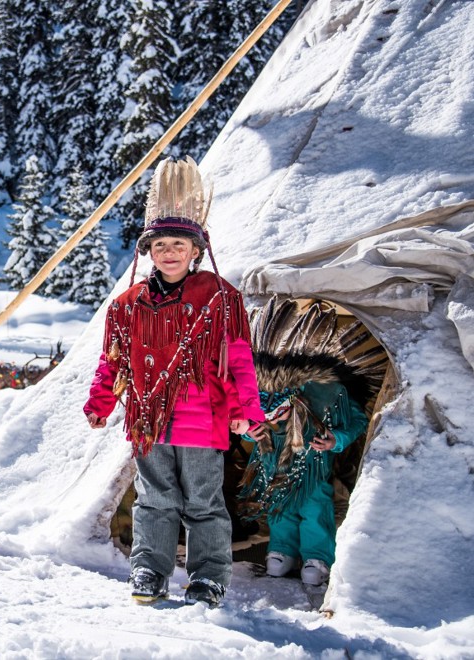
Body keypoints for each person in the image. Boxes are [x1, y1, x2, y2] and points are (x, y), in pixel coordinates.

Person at [84, 157, 264, 607]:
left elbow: (239, 357)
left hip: (202, 420)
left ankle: (208, 577)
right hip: (148, 420)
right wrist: (100, 402)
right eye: (160, 244)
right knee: (154, 499)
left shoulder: (221, 297)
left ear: (195, 251)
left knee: (204, 500)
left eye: (178, 244)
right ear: (148, 251)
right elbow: (114, 360)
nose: (168, 252)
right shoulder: (127, 304)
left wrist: (246, 410)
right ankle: (149, 568)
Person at [239, 300, 370, 588]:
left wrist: (337, 439)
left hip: (311, 467)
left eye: (279, 413)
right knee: (279, 508)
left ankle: (316, 556)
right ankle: (282, 550)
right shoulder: (260, 405)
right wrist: (250, 432)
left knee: (314, 507)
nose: (275, 419)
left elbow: (357, 422)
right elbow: (241, 425)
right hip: (274, 467)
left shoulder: (326, 397)